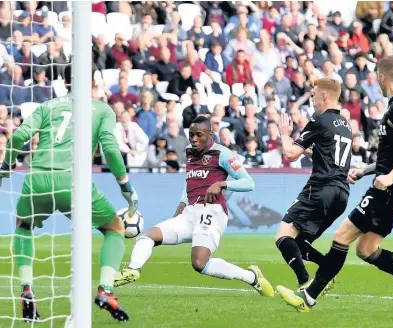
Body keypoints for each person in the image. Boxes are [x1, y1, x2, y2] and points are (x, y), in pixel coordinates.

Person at [276, 56, 393, 312]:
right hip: (392, 187)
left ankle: (308, 297)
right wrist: (366, 170)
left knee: (342, 235)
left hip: (389, 188)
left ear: (382, 78)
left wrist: (390, 176)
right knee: (367, 250)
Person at [0, 64, 139, 322]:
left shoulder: (48, 106)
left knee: (24, 225)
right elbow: (109, 148)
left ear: (64, 83)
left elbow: (19, 136)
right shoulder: (101, 109)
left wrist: (6, 165)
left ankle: (27, 287)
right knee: (115, 229)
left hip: (37, 178)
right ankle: (106, 290)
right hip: (73, 181)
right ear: (93, 79)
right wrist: (125, 185)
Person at [114, 115, 273, 297]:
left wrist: (222, 184)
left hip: (212, 212)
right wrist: (182, 204)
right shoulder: (190, 151)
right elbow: (190, 180)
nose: (194, 139)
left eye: (199, 135)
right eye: (191, 135)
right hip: (190, 213)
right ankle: (133, 270)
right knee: (147, 236)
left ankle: (251, 277)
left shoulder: (222, 154)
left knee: (199, 263)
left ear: (210, 134)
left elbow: (249, 182)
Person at [264, 77, 352, 291]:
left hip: (320, 189)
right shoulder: (345, 126)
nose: (312, 100)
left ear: (324, 96)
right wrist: (304, 145)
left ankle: (305, 281)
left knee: (283, 236)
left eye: (313, 96)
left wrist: (285, 135)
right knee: (299, 242)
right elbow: (324, 154)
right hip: (341, 195)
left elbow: (291, 154)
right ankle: (326, 272)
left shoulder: (319, 121)